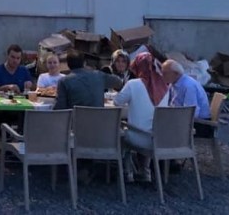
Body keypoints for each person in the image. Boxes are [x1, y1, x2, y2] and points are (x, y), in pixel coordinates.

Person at [114, 52, 169, 182]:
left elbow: (117, 102)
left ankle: (127, 172)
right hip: (160, 137)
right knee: (147, 128)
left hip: (139, 137)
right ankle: (145, 171)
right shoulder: (165, 86)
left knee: (122, 133)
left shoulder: (133, 84)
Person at [54, 50, 123, 110]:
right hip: (99, 119)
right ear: (84, 63)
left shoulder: (64, 81)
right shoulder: (99, 75)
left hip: (76, 120)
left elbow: (60, 108)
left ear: (68, 65)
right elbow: (119, 82)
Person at [161, 59, 211, 136]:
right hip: (183, 118)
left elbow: (192, 113)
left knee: (162, 130)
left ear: (176, 73)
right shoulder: (173, 83)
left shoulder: (188, 86)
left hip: (199, 124)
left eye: (165, 73)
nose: (162, 76)